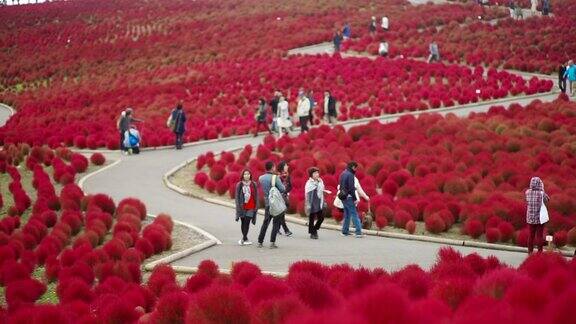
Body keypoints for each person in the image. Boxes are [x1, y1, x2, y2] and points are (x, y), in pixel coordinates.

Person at [257, 161, 286, 249]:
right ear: (273, 167)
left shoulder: (261, 178)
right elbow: (282, 189)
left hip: (267, 203)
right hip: (275, 204)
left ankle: (260, 242)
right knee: (275, 223)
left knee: (265, 223)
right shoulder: (275, 177)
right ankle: (272, 243)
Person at [525, 177, 550, 254]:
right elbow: (547, 199)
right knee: (539, 236)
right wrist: (543, 190)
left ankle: (530, 252)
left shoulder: (527, 192)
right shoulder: (541, 194)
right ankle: (539, 253)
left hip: (530, 218)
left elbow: (527, 200)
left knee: (531, 236)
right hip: (540, 219)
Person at [338, 161, 363, 238]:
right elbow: (351, 188)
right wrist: (355, 198)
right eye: (356, 168)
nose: (356, 170)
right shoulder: (351, 175)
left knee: (347, 214)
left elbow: (341, 185)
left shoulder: (343, 173)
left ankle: (345, 231)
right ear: (353, 167)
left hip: (343, 197)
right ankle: (358, 232)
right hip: (349, 197)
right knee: (354, 214)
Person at [305, 167, 331, 239]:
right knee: (311, 219)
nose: (317, 174)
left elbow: (322, 190)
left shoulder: (320, 181)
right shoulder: (309, 183)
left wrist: (324, 193)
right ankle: (313, 233)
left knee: (321, 218)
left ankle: (314, 229)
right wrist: (308, 205)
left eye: (317, 173)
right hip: (312, 202)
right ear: (311, 175)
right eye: (315, 173)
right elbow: (308, 194)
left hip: (319, 201)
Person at [235, 169, 258, 246]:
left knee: (247, 222)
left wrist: (256, 206)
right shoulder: (239, 184)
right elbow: (237, 197)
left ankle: (243, 238)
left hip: (251, 206)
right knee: (243, 222)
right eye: (245, 174)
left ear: (250, 175)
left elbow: (256, 196)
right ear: (242, 175)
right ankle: (245, 238)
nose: (247, 175)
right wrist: (238, 208)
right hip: (242, 207)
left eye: (248, 174)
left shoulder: (254, 184)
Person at [277, 161, 293, 237]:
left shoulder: (288, 175)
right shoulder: (278, 176)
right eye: (286, 165)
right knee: (281, 214)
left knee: (281, 214)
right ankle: (286, 230)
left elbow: (290, 186)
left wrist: (286, 192)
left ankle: (277, 228)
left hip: (285, 196)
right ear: (282, 167)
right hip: (279, 197)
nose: (288, 166)